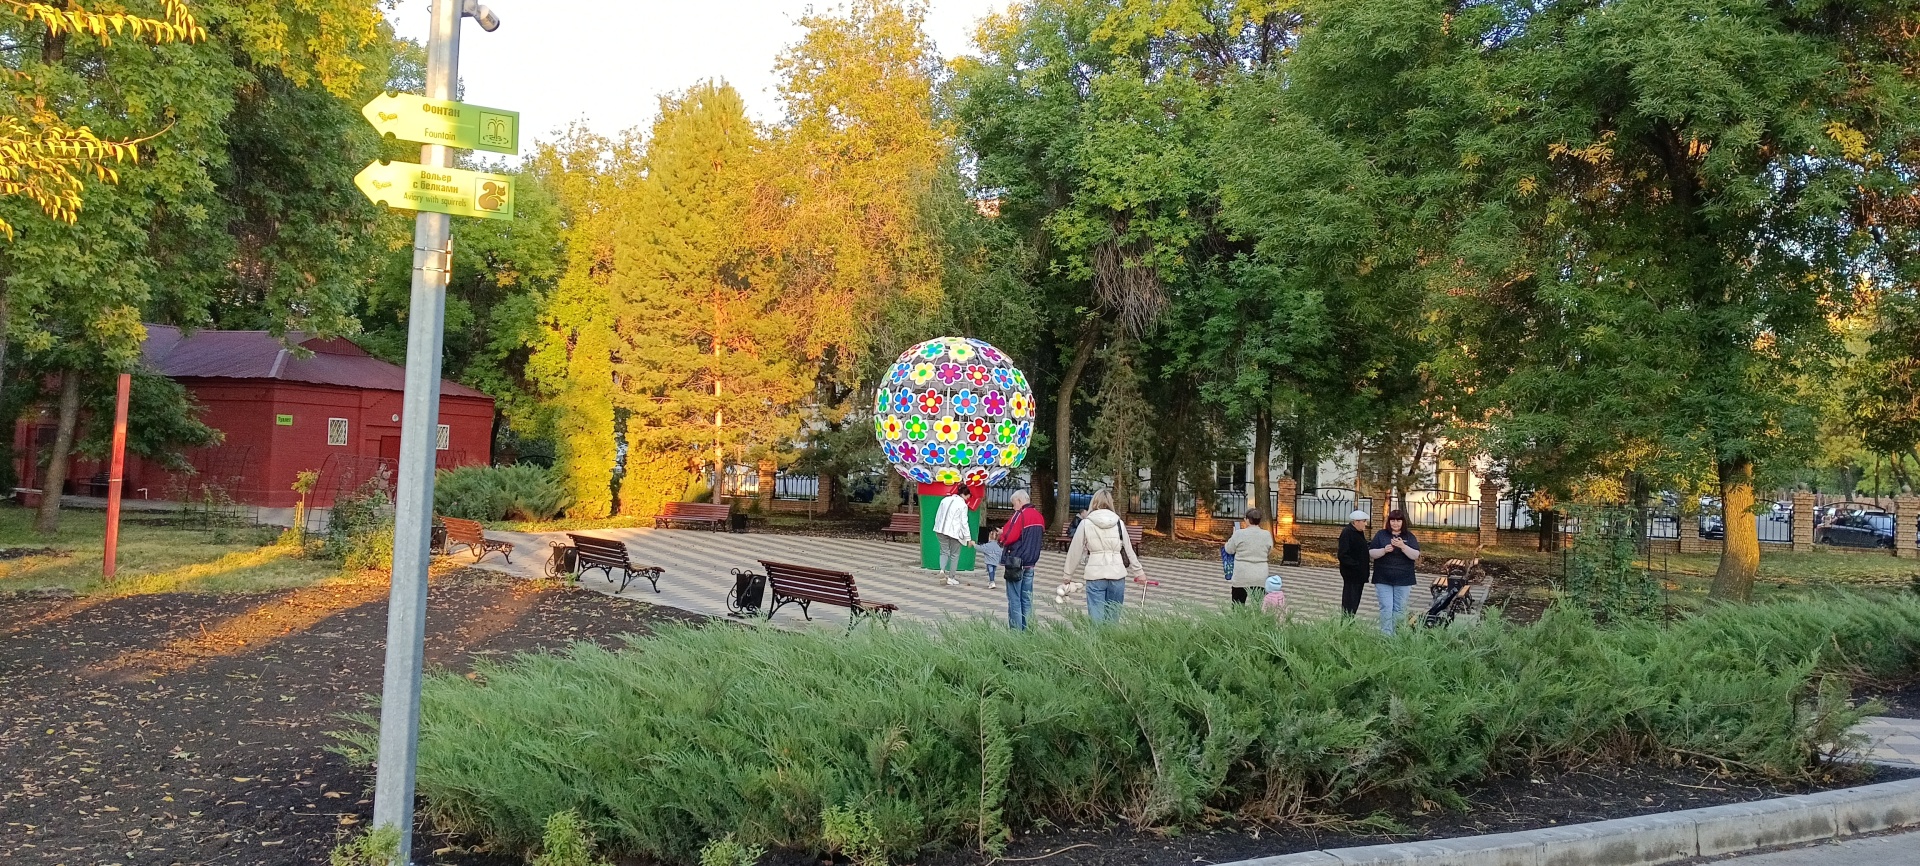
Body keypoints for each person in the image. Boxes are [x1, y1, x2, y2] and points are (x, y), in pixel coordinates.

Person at [1062, 489, 1145, 623]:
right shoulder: (1119, 523)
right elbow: (1129, 549)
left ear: (1093, 502)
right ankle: (1111, 643)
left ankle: (1098, 643)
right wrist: (1139, 572)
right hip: (1117, 574)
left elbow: (1075, 550)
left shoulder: (1086, 523)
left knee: (1096, 620)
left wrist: (1068, 575)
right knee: (1113, 618)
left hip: (1095, 574)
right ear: (1110, 503)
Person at [998, 490, 1047, 629]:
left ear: (1019, 501)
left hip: (1016, 562)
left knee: (1014, 599)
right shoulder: (1039, 516)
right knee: (1027, 599)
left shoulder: (1020, 515)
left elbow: (1009, 536)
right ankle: (1028, 629)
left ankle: (1016, 633)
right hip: (1031, 562)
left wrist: (1001, 538)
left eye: (1014, 504)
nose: (1014, 507)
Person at [1368, 508, 1421, 634]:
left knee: (1399, 608)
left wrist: (1403, 546)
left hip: (1404, 579)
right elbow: (1371, 552)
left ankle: (1397, 634)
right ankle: (1386, 635)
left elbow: (1415, 555)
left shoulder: (1409, 536)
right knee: (1386, 607)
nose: (1395, 523)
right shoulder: (1381, 534)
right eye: (1392, 520)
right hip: (1383, 578)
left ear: (1403, 522)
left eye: (1398, 521)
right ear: (1389, 522)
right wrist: (1384, 550)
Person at [1222, 508, 1274, 605]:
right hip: (1260, 575)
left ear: (1247, 519)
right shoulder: (1266, 534)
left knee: (1238, 605)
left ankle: (1238, 619)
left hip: (1242, 575)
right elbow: (1269, 550)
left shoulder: (1239, 534)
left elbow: (1229, 549)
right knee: (1258, 605)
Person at [933, 483, 974, 587]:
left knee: (944, 551)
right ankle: (951, 578)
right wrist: (968, 538)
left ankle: (942, 570)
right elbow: (964, 523)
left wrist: (937, 527)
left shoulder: (945, 500)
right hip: (954, 532)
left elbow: (938, 515)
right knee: (955, 555)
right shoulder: (963, 505)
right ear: (966, 494)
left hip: (940, 530)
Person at [1336, 509, 1371, 617]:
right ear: (1356, 522)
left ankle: (1350, 622)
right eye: (1364, 521)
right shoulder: (1348, 532)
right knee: (1350, 603)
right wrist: (1356, 566)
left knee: (1354, 602)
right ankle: (1346, 623)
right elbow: (1343, 554)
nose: (1366, 524)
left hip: (1359, 575)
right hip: (1352, 575)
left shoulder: (1358, 532)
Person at [977, 520, 1004, 589]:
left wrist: (974, 544)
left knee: (990, 570)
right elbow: (1001, 552)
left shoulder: (988, 545)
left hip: (989, 561)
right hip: (995, 561)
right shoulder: (998, 545)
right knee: (993, 571)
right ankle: (992, 581)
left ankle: (992, 581)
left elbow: (981, 548)